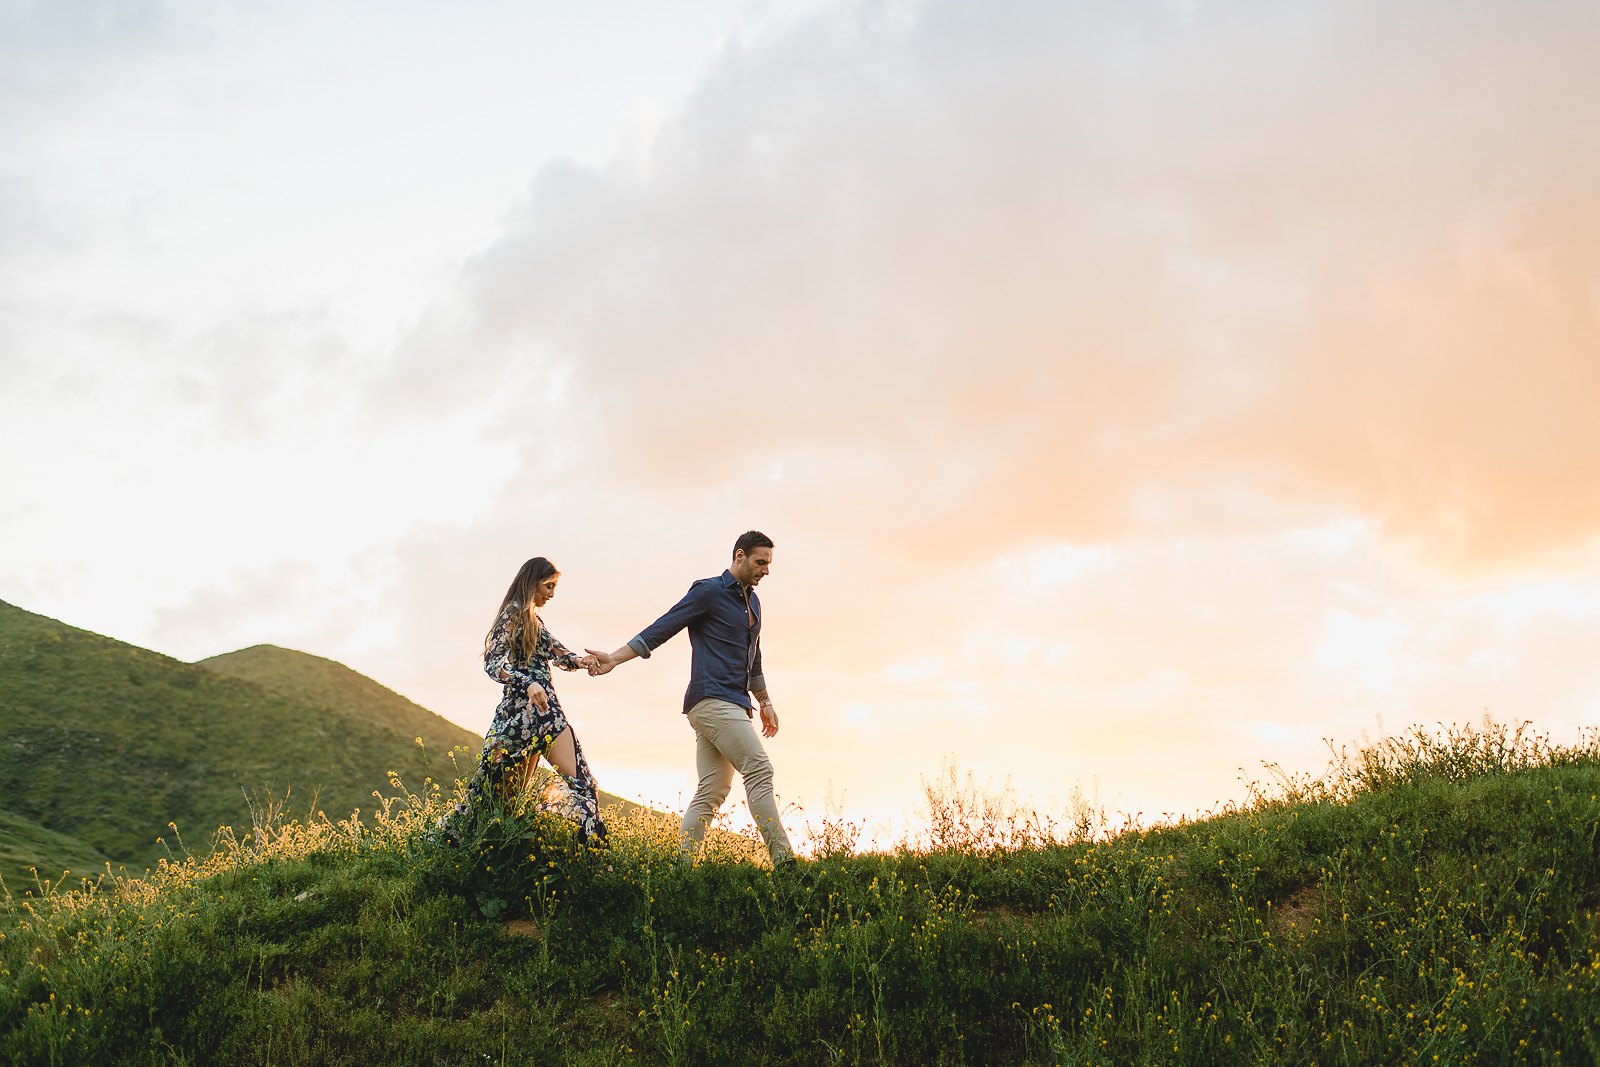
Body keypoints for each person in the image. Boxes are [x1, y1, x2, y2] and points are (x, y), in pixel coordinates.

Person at [587, 530, 795, 867]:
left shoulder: (753, 602)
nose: (766, 571)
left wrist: (766, 701)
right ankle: (786, 863)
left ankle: (680, 872)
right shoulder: (709, 592)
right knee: (758, 769)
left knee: (712, 790)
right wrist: (614, 657)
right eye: (760, 562)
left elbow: (753, 659)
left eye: (769, 564)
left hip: (735, 703)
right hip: (712, 700)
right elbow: (663, 627)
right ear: (739, 556)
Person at [440, 557, 608, 847]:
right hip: (517, 720)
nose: (552, 594)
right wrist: (526, 682)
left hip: (547, 715)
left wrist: (582, 661)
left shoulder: (533, 620)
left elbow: (557, 652)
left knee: (581, 784)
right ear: (531, 583)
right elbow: (493, 664)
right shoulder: (511, 615)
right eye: (548, 586)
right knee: (497, 801)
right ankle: (461, 854)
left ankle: (595, 855)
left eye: (554, 586)